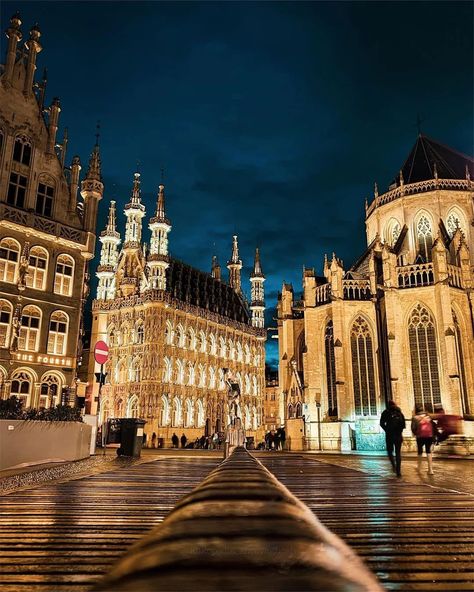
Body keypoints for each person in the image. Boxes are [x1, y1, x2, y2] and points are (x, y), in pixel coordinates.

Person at [380, 400, 406, 477]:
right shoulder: (399, 412)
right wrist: (399, 431)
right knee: (398, 453)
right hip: (398, 435)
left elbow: (381, 423)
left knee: (390, 451)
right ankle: (399, 471)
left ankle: (393, 466)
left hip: (389, 435)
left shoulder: (386, 412)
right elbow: (403, 425)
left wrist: (386, 430)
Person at [411, 405, 435, 475]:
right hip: (429, 436)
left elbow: (413, 428)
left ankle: (419, 468)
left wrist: (416, 433)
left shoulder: (415, 418)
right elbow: (433, 426)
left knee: (420, 452)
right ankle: (430, 470)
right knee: (428, 451)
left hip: (420, 436)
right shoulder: (428, 417)